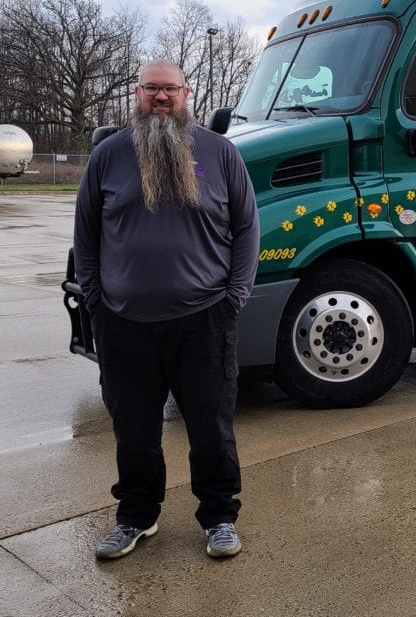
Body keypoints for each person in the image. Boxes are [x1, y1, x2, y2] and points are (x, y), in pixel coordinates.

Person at [74, 59, 259, 560]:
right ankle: (136, 517)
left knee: (210, 427)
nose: (160, 97)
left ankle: (219, 517)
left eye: (169, 89)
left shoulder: (220, 154)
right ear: (136, 93)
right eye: (151, 88)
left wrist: (234, 296)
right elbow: (86, 235)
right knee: (133, 428)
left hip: (204, 319)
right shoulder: (109, 156)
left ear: (186, 93)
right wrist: (96, 299)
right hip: (124, 322)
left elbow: (246, 228)